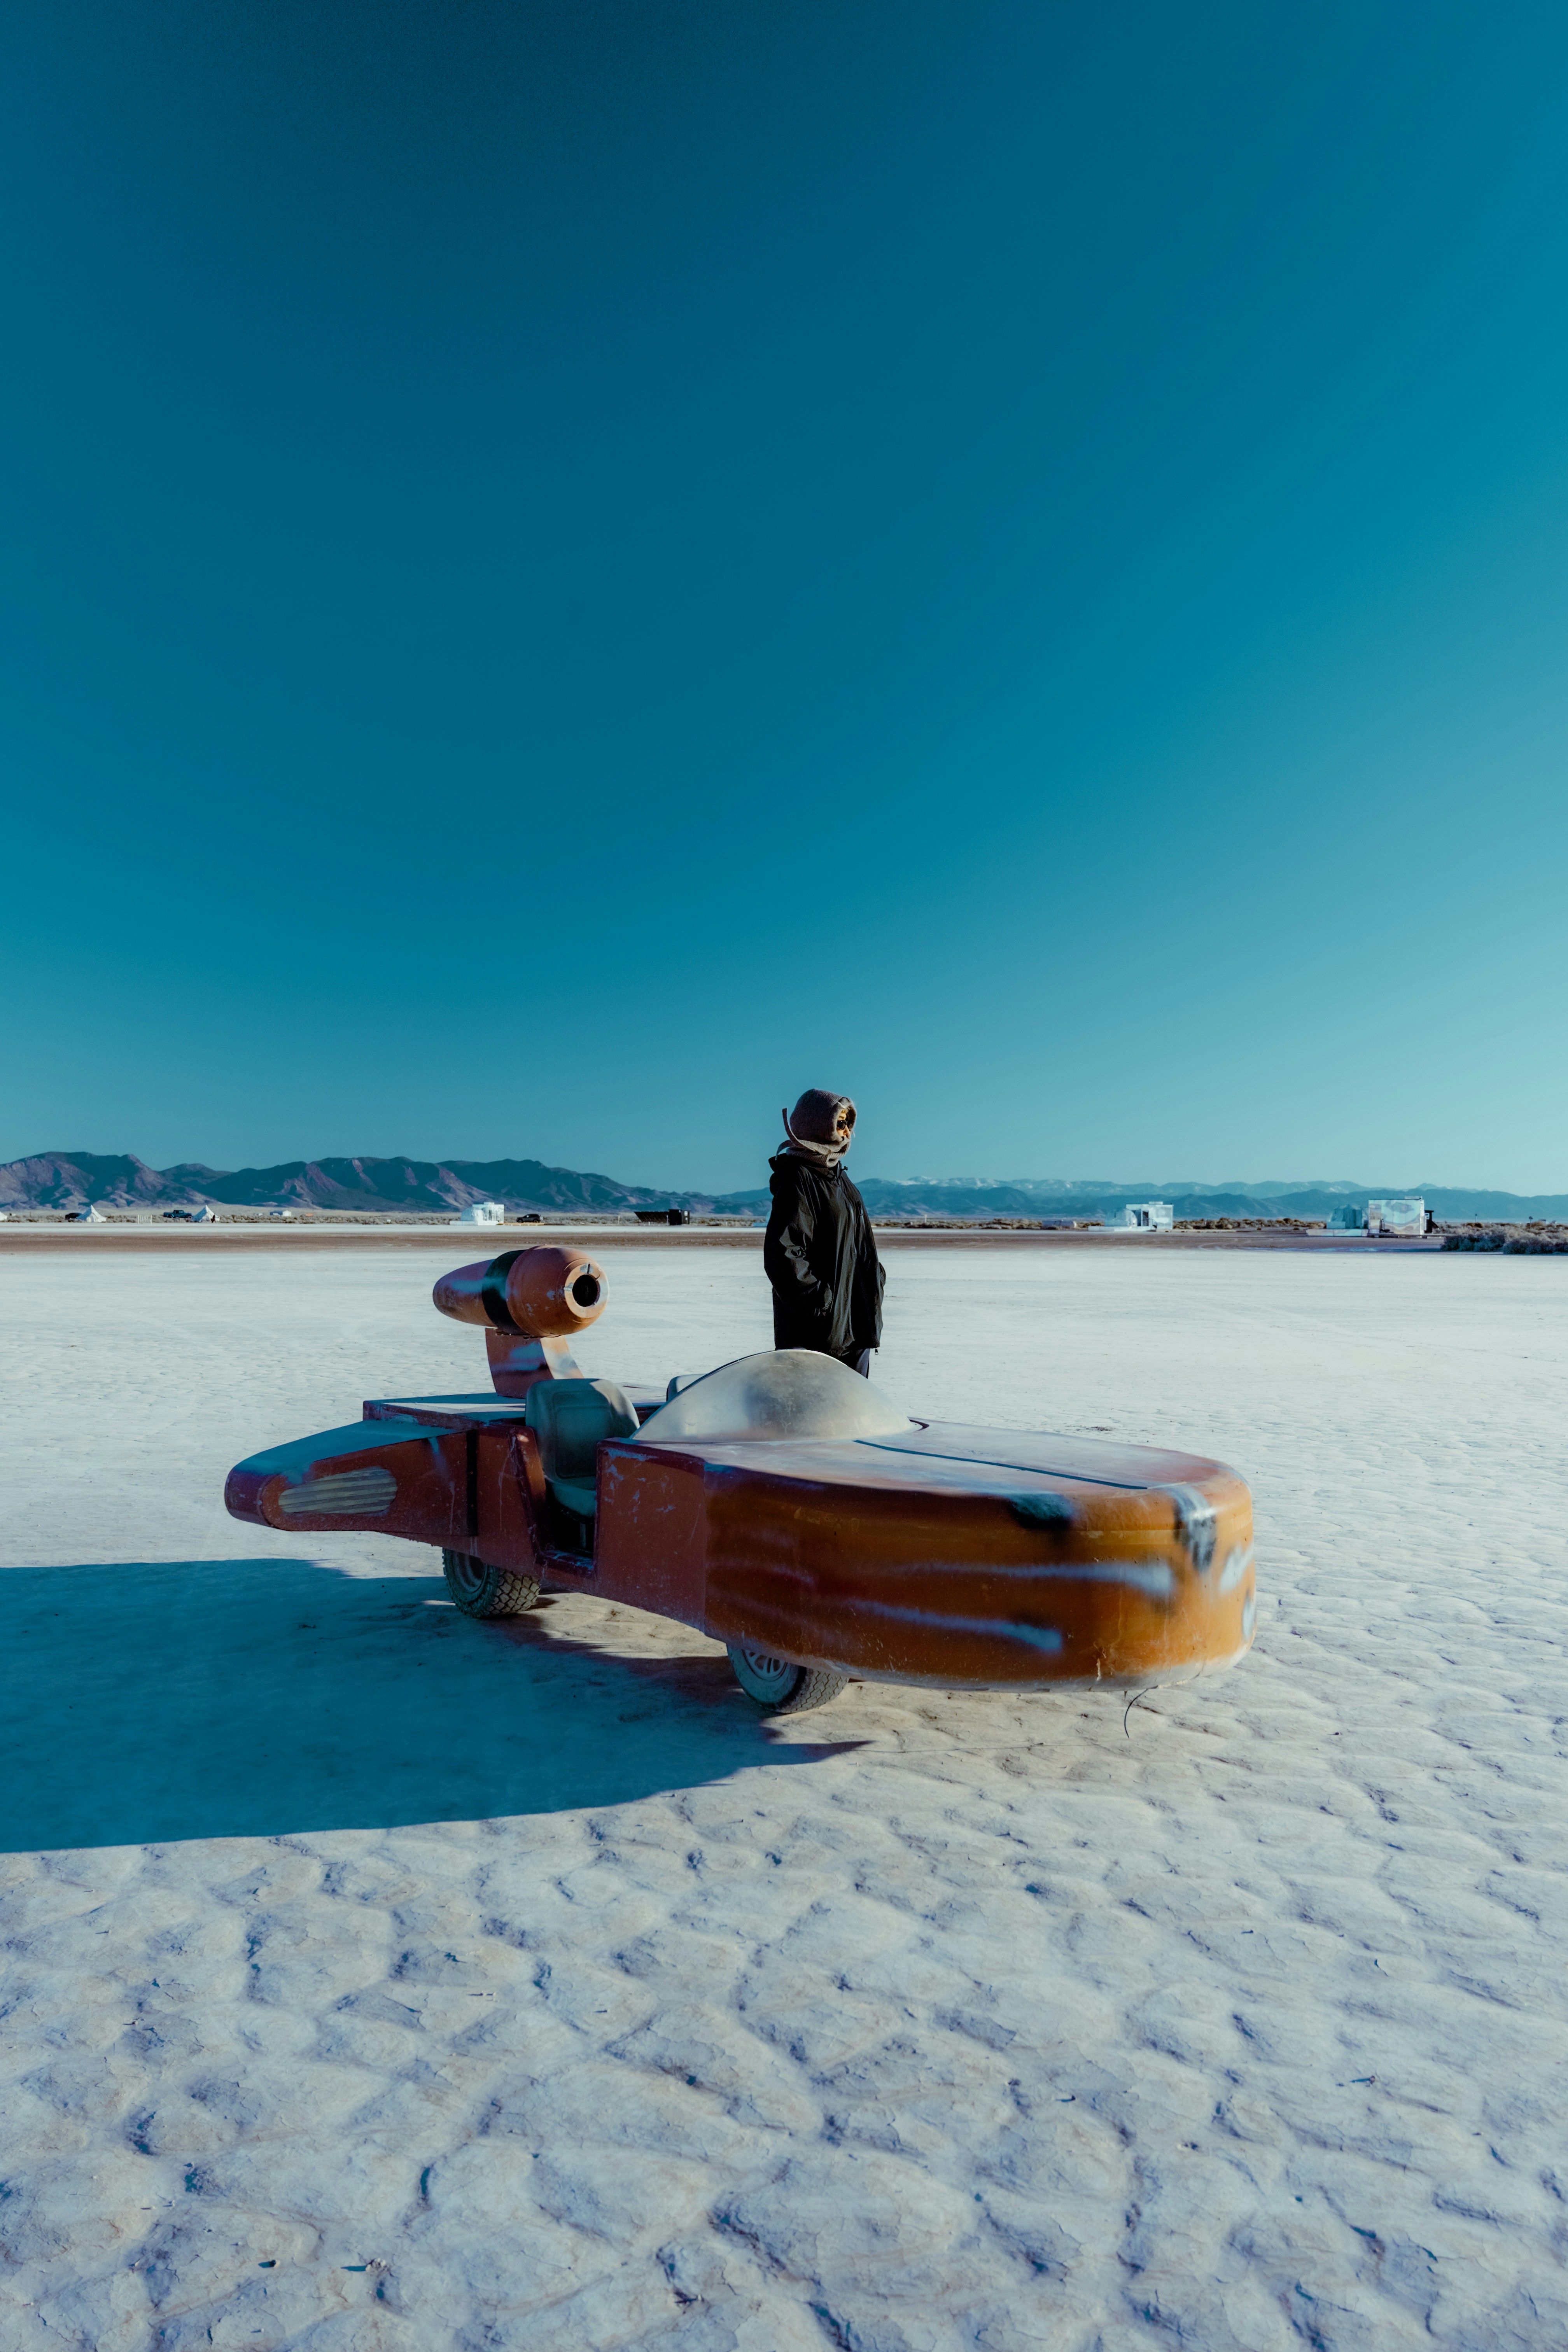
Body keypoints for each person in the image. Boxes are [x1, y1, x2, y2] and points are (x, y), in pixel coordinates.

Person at [763, 1089, 884, 1375]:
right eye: (838, 1123)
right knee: (819, 1416)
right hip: (819, 1334)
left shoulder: (839, 1177)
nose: (846, 1132)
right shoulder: (798, 1178)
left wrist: (874, 1280)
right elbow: (785, 1252)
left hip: (854, 1325)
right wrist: (822, 1303)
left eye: (847, 1124)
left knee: (854, 1414)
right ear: (817, 1124)